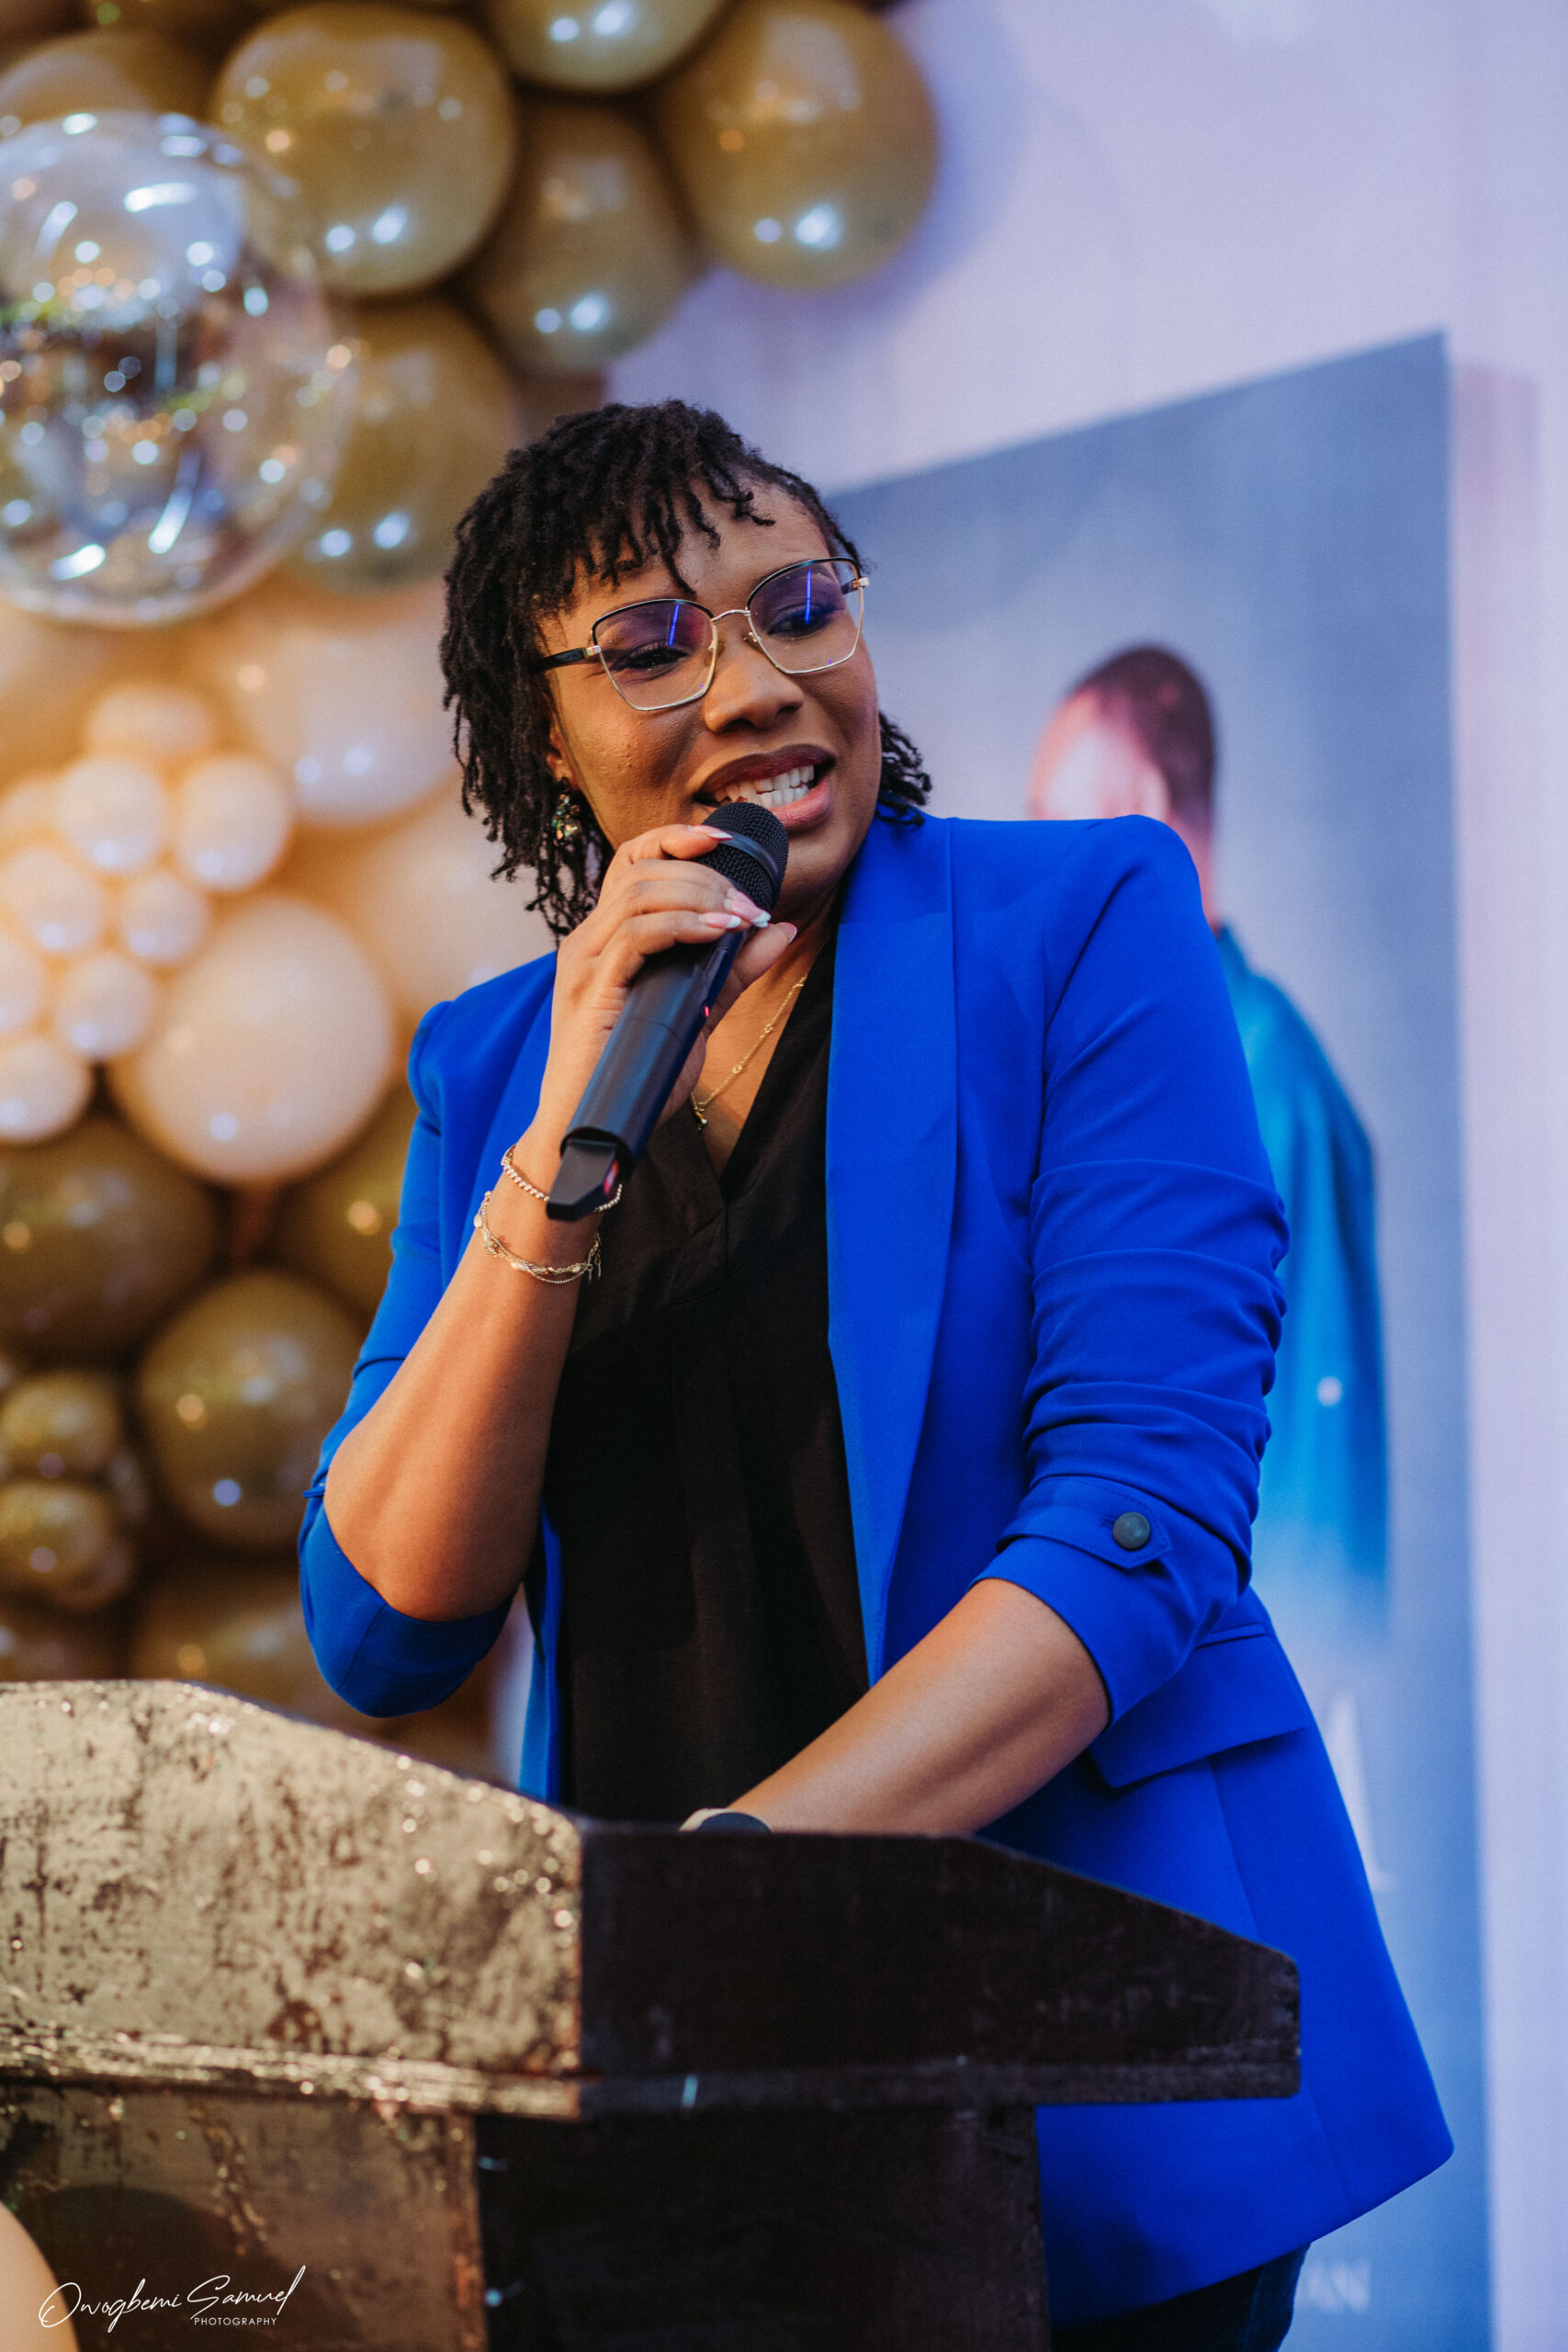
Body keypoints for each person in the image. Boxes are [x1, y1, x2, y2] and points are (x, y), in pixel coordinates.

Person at [300, 403, 1449, 2344]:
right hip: (683, 2111)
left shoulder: (1080, 921)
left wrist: (727, 1899)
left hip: (1070, 2055)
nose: (758, 682)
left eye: (797, 604)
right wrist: (562, 1141)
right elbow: (384, 1620)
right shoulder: (494, 1060)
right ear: (541, 734)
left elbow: (1139, 1524)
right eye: (652, 643)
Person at [1029, 650, 1387, 1630]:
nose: (1032, 866)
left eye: (1050, 821)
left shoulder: (1272, 1081)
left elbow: (1315, 1486)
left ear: (1141, 808)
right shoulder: (1122, 1068)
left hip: (1231, 1663)